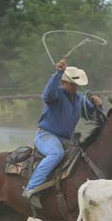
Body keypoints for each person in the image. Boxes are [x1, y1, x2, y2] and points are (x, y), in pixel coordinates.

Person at [22, 56, 103, 208]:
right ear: (63, 82)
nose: (75, 87)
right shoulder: (56, 94)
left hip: (66, 139)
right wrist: (58, 73)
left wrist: (98, 105)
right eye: (72, 84)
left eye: (76, 85)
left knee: (83, 156)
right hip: (46, 135)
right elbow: (47, 95)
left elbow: (90, 114)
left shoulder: (79, 99)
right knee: (56, 154)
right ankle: (31, 188)